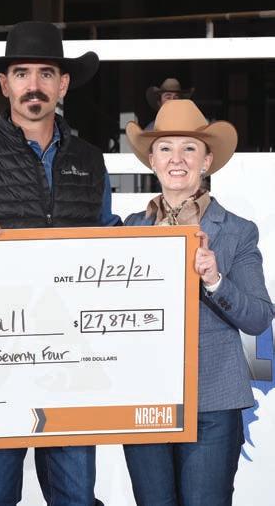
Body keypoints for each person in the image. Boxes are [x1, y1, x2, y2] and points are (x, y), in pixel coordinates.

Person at [0, 20, 119, 506]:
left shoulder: (91, 161)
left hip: (72, 356)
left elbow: (108, 240)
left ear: (63, 84)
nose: (34, 85)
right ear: (4, 84)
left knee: (76, 495)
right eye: (22, 73)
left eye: (46, 73)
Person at [123, 99, 275, 505]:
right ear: (152, 160)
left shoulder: (238, 232)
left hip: (213, 401)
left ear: (206, 161)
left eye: (189, 148)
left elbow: (259, 317)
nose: (177, 159)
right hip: (146, 398)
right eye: (165, 148)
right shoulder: (129, 230)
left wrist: (215, 280)